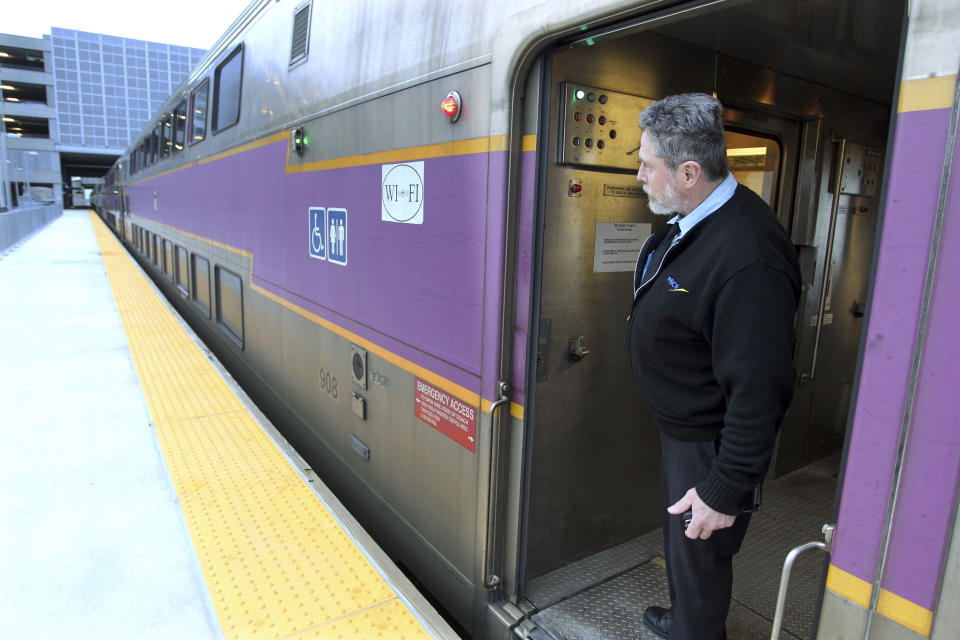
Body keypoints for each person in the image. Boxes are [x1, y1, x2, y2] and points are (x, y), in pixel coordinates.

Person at [627, 93, 801, 639]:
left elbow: (761, 387)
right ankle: (685, 619)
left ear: (688, 171)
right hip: (688, 433)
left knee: (700, 563)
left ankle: (693, 630)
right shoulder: (697, 220)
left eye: (646, 165)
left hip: (713, 446)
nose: (638, 176)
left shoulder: (747, 255)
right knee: (685, 554)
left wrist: (724, 490)